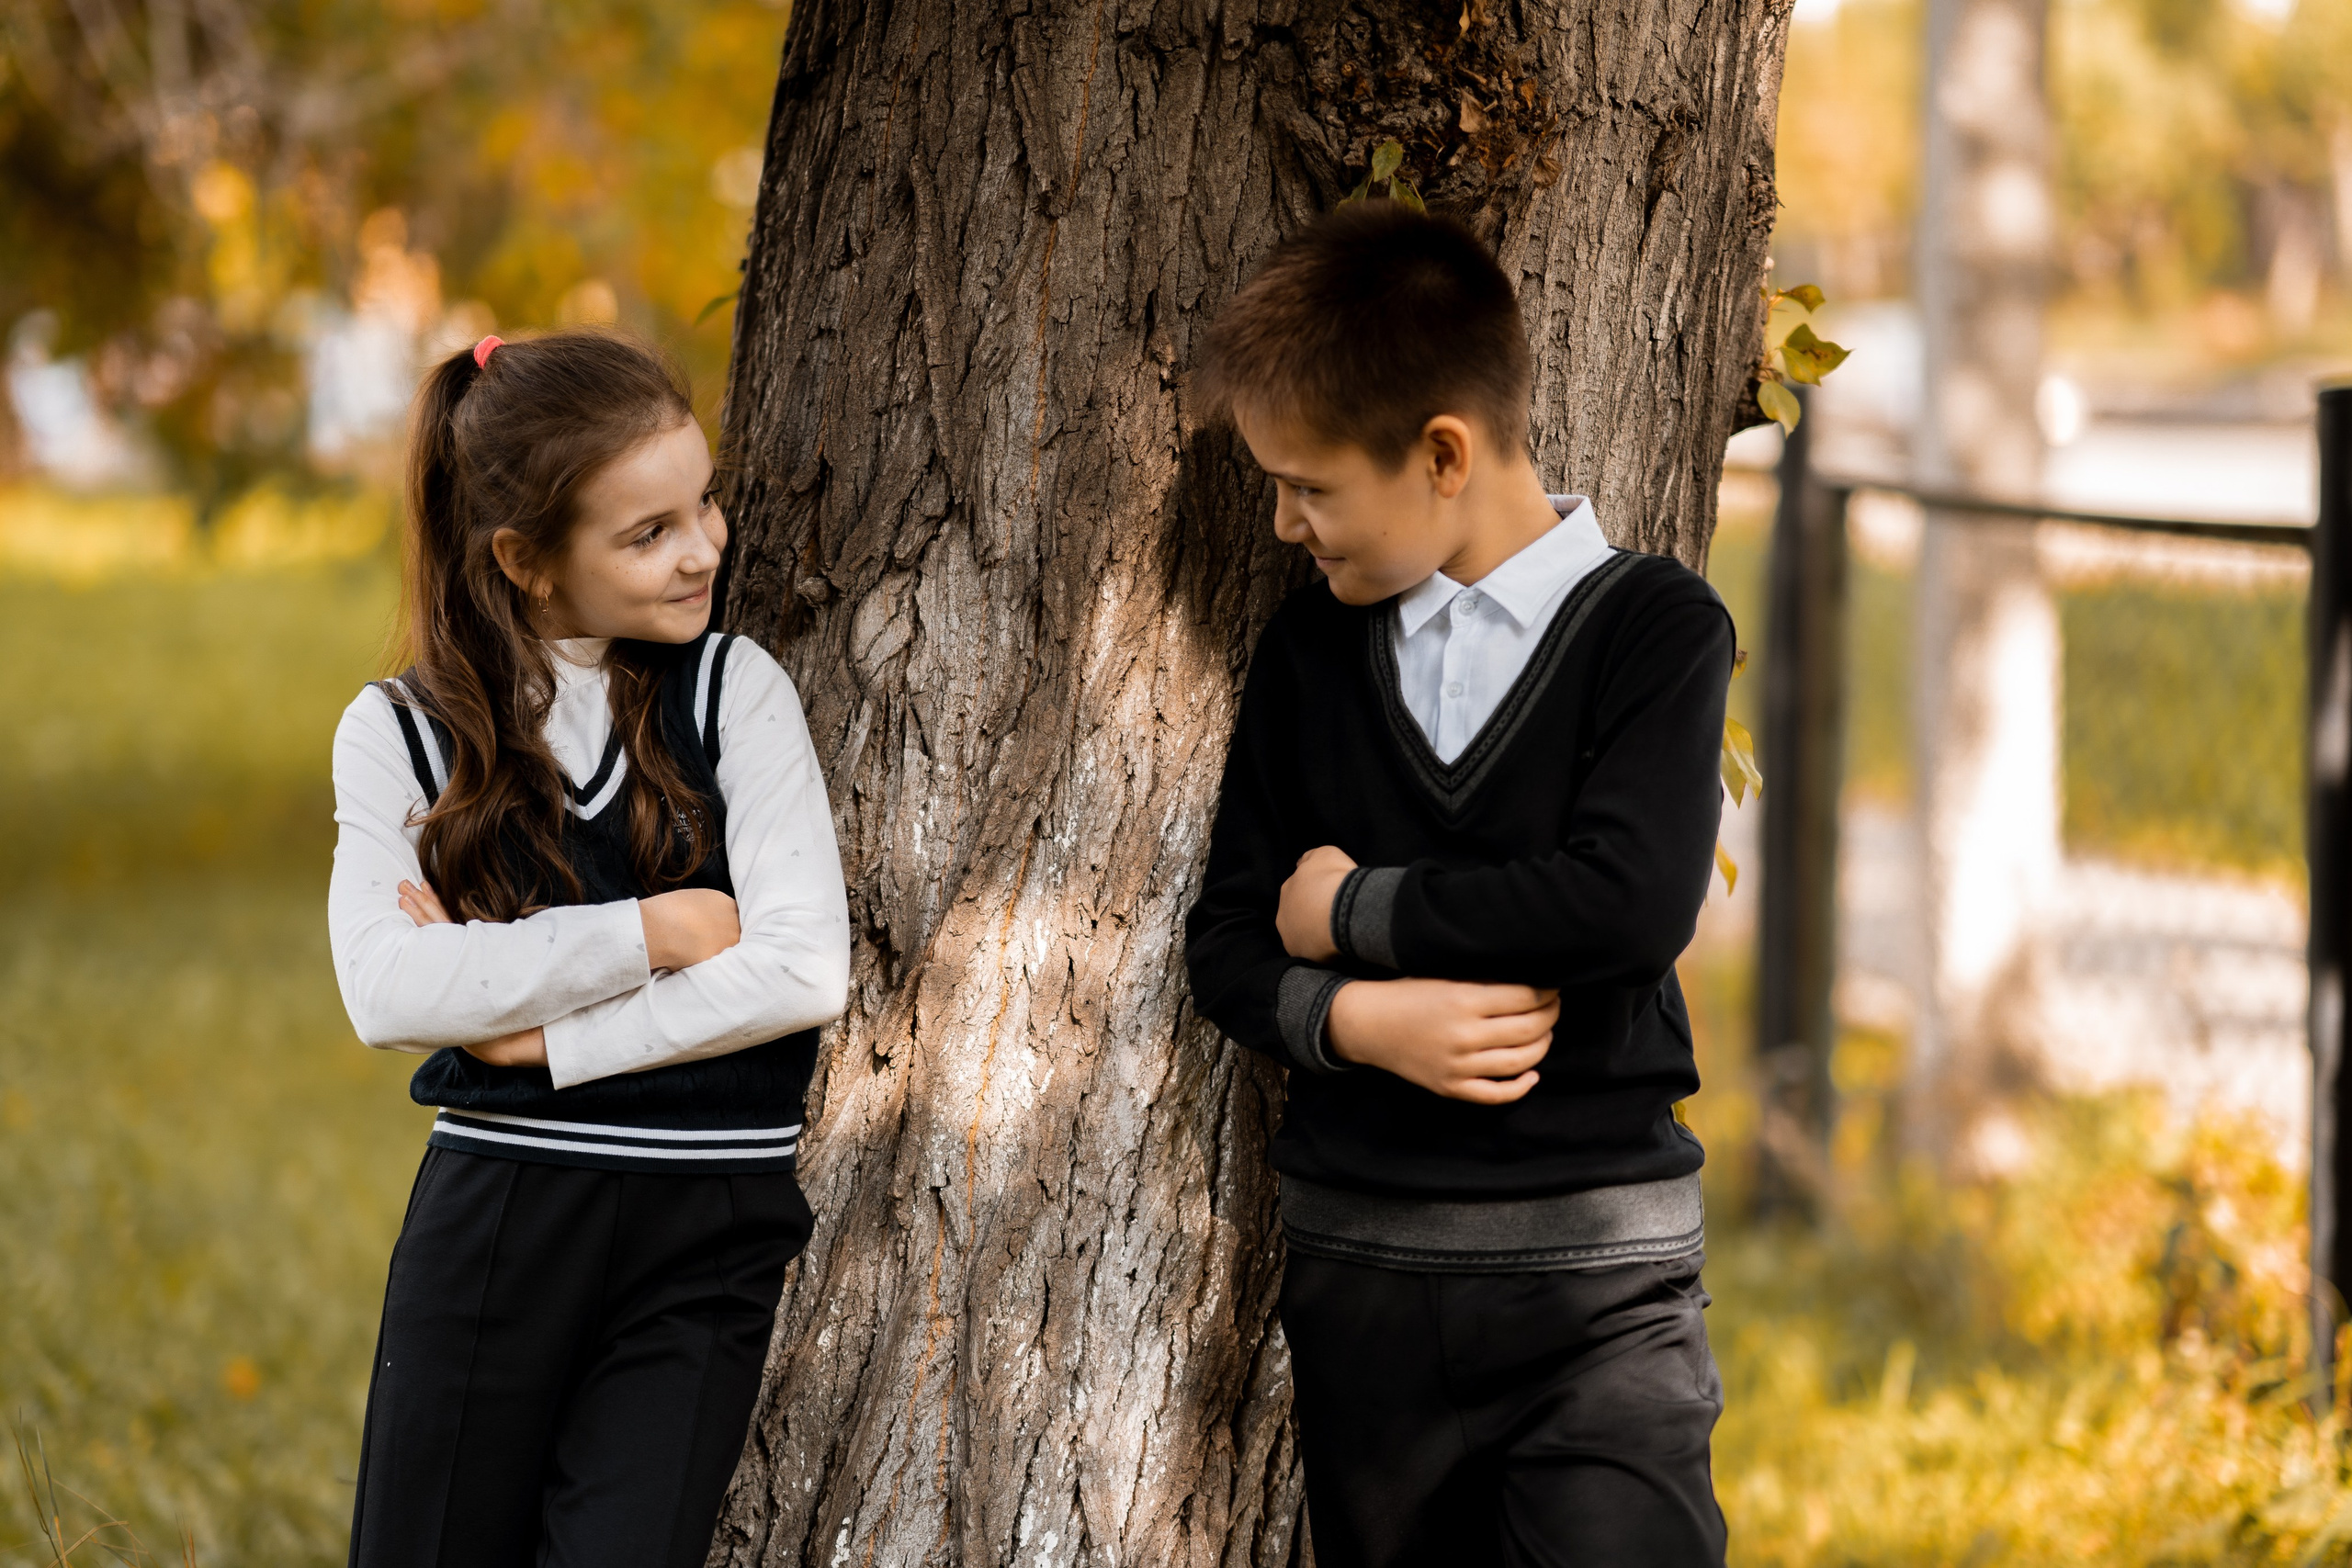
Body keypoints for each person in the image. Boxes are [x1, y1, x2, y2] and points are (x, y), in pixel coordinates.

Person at [1183, 202, 1736, 1567]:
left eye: (1310, 487)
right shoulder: (1314, 649)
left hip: (1600, 1282)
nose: (1281, 522)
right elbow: (1228, 941)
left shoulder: (1653, 629)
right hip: (1366, 1286)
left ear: (1443, 452)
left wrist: (1354, 912)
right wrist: (1356, 1021)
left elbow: (1626, 904)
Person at [327, 330, 850, 1567]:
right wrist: (653, 930)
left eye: (703, 502)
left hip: (707, 1232)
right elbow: (388, 987)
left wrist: (545, 1036)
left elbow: (799, 970)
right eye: (648, 532)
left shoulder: (737, 693)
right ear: (526, 562)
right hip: (501, 1217)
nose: (707, 548)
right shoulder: (400, 734)